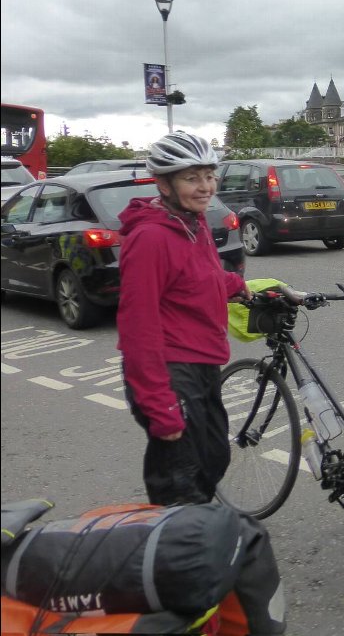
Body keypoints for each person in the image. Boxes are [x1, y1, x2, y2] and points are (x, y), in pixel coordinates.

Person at [117, 131, 250, 506]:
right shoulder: (150, 239)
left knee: (213, 459)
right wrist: (161, 406)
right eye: (192, 178)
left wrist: (237, 285)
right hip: (172, 370)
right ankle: (173, 554)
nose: (206, 187)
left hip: (204, 361)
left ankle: (186, 542)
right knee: (180, 480)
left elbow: (199, 276)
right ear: (163, 184)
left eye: (209, 176)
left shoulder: (194, 222)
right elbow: (137, 328)